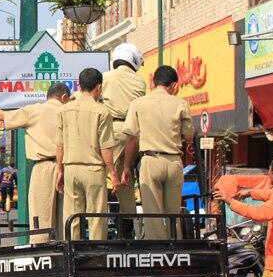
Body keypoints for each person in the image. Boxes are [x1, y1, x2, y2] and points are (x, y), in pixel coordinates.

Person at [0, 83, 70, 242]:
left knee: (41, 213)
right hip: (68, 167)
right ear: (64, 97)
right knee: (66, 215)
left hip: (44, 166)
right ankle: (65, 248)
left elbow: (3, 116)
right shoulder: (69, 111)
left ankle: (42, 251)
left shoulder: (35, 110)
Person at [121, 65, 194, 239]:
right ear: (174, 85)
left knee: (153, 215)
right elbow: (189, 135)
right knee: (173, 213)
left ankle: (157, 249)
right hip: (174, 161)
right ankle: (174, 249)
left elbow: (131, 138)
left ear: (153, 82)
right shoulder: (181, 104)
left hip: (150, 160)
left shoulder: (138, 104)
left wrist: (126, 166)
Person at [56, 68, 118, 240]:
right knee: (96, 218)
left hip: (70, 168)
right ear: (98, 87)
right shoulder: (102, 111)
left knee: (72, 217)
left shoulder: (63, 110)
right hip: (94, 169)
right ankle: (96, 255)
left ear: (79, 85)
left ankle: (72, 253)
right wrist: (113, 173)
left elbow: (59, 145)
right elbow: (106, 147)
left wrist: (59, 170)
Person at [101, 43, 146, 238]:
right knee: (127, 180)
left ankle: (99, 224)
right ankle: (127, 229)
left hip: (108, 129)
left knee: (103, 178)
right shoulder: (140, 81)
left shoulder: (105, 77)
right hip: (132, 133)